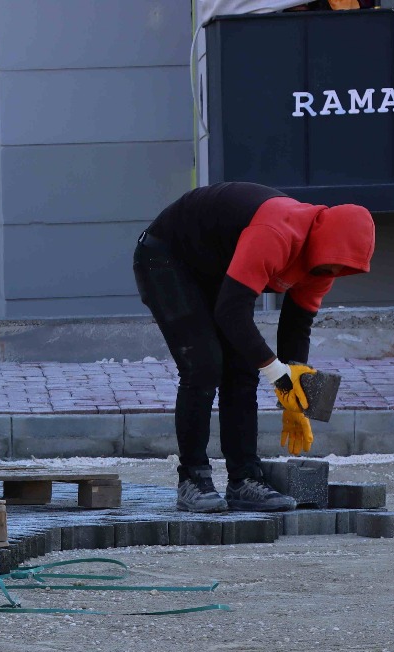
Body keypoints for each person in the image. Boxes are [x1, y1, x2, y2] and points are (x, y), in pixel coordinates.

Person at [132, 182, 375, 513]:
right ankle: (193, 478)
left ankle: (245, 478)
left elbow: (297, 325)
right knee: (203, 365)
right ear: (324, 241)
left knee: (243, 367)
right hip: (166, 256)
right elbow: (231, 312)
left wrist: (298, 396)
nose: (331, 273)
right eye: (330, 266)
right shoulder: (277, 231)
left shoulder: (326, 261)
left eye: (337, 269)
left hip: (215, 266)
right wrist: (277, 374)